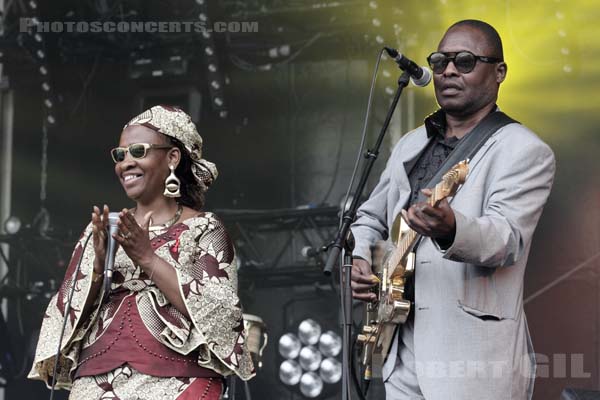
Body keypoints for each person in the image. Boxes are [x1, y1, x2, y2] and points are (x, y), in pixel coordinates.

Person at [350, 20, 555, 399]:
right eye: (440, 60)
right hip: (400, 352)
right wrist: (362, 257)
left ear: (499, 72)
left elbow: (506, 238)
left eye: (464, 61)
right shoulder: (411, 144)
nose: (447, 70)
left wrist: (450, 228)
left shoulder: (523, 150)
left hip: (474, 361)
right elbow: (371, 217)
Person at [28, 105, 254, 399]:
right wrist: (96, 270)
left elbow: (222, 314)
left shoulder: (204, 228)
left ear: (172, 157)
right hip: (97, 379)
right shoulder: (103, 230)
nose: (125, 163)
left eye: (138, 151)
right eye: (120, 155)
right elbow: (61, 320)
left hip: (178, 379)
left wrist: (147, 258)